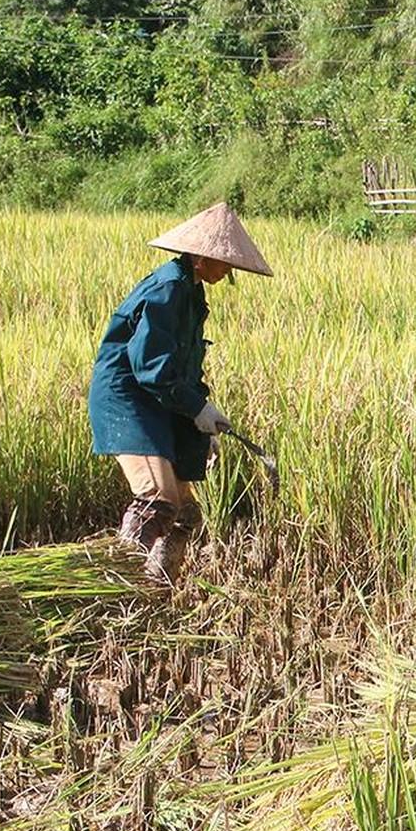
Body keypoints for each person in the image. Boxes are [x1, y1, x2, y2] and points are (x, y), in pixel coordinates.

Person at [87, 203, 272, 582]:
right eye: (223, 262)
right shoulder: (168, 288)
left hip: (157, 401)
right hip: (129, 400)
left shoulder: (191, 292)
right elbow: (150, 364)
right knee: (157, 500)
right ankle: (112, 584)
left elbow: (183, 367)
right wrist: (194, 407)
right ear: (201, 257)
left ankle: (154, 588)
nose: (228, 271)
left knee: (185, 513)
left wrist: (201, 416)